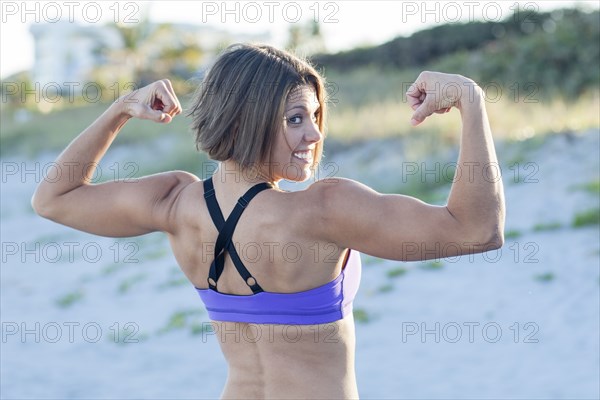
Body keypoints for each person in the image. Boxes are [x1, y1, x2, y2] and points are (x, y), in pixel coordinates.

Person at [32, 43, 505, 399]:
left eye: (315, 116)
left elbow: (54, 198)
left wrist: (119, 111)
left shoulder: (174, 203)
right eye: (296, 118)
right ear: (248, 119)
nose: (315, 133)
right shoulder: (324, 211)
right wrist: (471, 101)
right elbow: (476, 230)